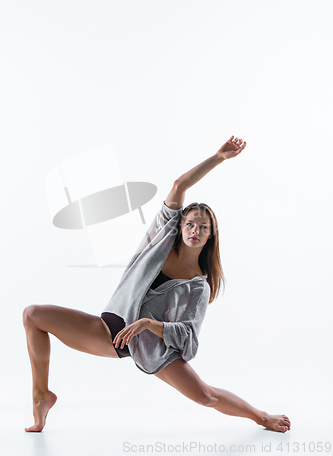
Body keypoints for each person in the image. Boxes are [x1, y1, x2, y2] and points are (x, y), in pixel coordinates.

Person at [23, 135, 291, 433]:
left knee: (205, 395)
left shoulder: (198, 286)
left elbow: (188, 339)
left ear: (210, 235)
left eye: (204, 227)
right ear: (180, 225)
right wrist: (219, 157)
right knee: (33, 314)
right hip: (112, 331)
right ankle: (41, 396)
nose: (195, 230)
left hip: (155, 347)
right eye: (190, 223)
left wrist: (150, 324)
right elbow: (179, 185)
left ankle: (262, 417)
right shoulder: (160, 239)